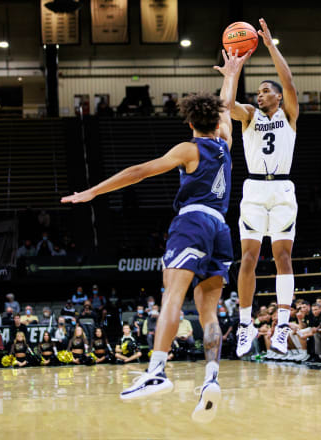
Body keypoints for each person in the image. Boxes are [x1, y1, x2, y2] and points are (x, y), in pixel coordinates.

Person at [61, 47, 249, 423]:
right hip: (221, 228)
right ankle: (211, 377)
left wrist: (93, 191)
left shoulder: (189, 147)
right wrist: (231, 73)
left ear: (190, 122)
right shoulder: (226, 143)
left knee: (172, 297)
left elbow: (141, 170)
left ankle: (157, 371)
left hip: (193, 221)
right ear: (215, 120)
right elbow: (227, 109)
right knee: (208, 311)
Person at [231, 19, 300, 359]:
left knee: (282, 257)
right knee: (249, 257)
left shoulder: (288, 114)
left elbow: (288, 81)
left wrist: (270, 46)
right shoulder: (248, 116)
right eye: (257, 91)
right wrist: (233, 71)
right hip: (255, 190)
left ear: (276, 95)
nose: (260, 94)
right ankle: (246, 325)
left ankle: (283, 325)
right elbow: (228, 107)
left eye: (265, 90)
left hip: (283, 189)